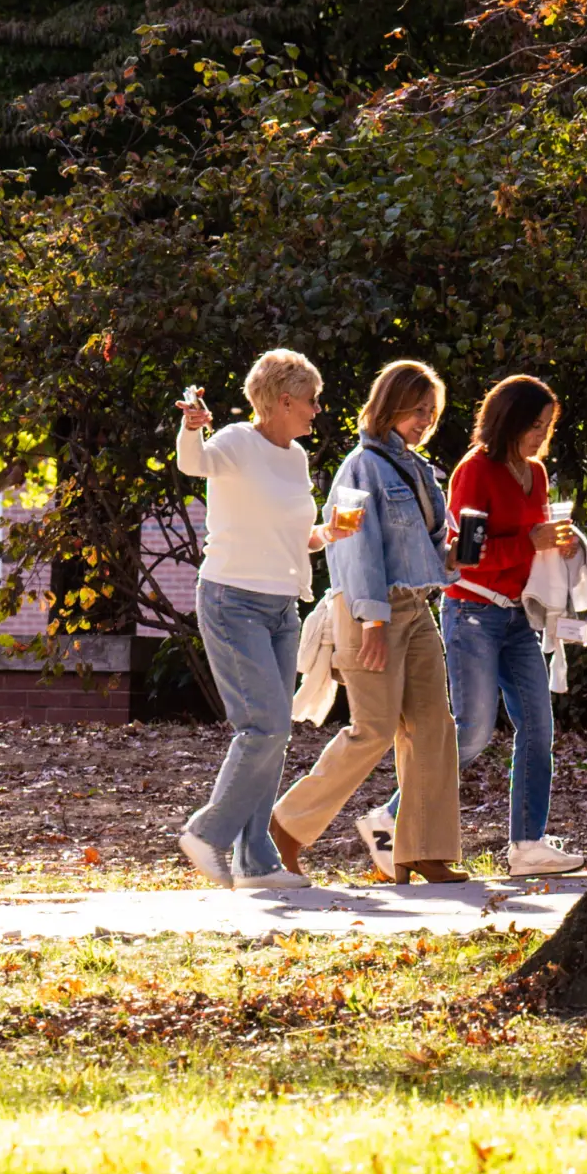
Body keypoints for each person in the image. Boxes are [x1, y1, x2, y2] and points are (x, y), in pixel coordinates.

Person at [267, 360, 467, 883]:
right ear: (389, 405)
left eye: (431, 413)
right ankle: (284, 827)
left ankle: (423, 848)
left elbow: (416, 547)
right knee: (373, 729)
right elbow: (354, 547)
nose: (425, 420)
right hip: (367, 610)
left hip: (417, 608)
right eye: (416, 410)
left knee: (433, 727)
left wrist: (450, 557)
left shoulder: (419, 469)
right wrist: (373, 621)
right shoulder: (360, 468)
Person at [172, 349, 358, 890]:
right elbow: (192, 462)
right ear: (282, 401)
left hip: (282, 607)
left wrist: (328, 536)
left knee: (273, 732)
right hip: (233, 601)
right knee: (265, 725)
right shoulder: (233, 441)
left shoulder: (295, 457)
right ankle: (208, 832)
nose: (317, 410)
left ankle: (257, 862)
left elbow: (296, 533)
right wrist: (191, 427)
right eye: (310, 400)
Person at [438, 374, 587, 876]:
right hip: (474, 611)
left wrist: (558, 546)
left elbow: (536, 539)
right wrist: (533, 542)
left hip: (519, 615)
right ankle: (391, 819)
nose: (540, 435)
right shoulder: (475, 472)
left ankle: (527, 845)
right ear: (507, 420)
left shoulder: (537, 474)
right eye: (533, 424)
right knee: (473, 732)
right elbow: (468, 558)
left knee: (538, 728)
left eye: (547, 426)